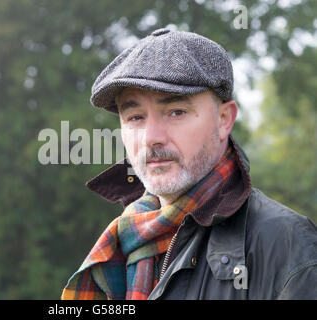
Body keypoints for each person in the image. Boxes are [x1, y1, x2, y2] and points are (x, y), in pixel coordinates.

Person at [61, 29, 317, 300]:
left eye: (176, 112)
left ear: (223, 120)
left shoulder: (290, 248)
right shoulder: (126, 240)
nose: (151, 138)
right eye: (135, 117)